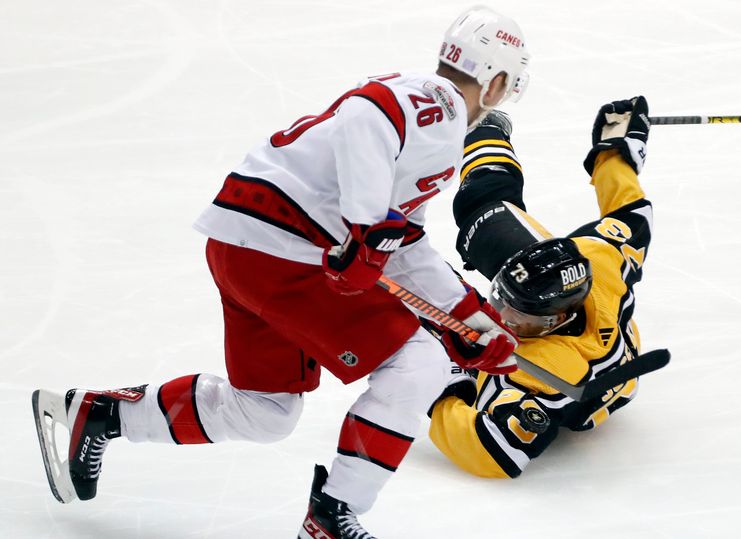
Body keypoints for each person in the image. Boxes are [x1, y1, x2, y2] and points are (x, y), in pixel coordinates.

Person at [30, 6, 531, 538]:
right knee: (419, 363)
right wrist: (365, 226)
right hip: (283, 249)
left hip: (247, 245)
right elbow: (366, 116)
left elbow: (403, 243)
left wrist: (471, 319)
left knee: (265, 410)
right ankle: (333, 518)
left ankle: (102, 415)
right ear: (496, 83)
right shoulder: (441, 105)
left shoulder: (426, 116)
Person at [428, 97, 654, 479]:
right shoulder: (601, 258)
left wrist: (449, 381)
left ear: (556, 320)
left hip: (575, 369)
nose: (500, 316)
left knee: (418, 319)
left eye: (518, 317)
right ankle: (485, 128)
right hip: (594, 338)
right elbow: (630, 214)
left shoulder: (539, 373)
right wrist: (614, 152)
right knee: (486, 207)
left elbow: (487, 453)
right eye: (502, 300)